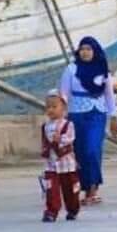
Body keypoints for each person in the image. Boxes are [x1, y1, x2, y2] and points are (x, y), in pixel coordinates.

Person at [59, 36, 116, 206]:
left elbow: (109, 95)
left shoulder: (103, 70)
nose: (85, 52)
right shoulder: (71, 69)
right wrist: (60, 118)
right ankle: (83, 187)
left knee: (93, 149)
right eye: (82, 49)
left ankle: (93, 187)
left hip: (97, 114)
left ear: (95, 51)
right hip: (76, 114)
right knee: (80, 152)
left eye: (89, 49)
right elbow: (64, 94)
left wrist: (113, 116)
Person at [40, 89, 80, 222]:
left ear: (63, 107)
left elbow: (70, 138)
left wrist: (60, 139)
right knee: (51, 188)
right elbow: (45, 142)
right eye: (48, 107)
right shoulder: (45, 126)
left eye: (54, 106)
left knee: (70, 189)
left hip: (66, 163)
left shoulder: (69, 124)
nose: (51, 110)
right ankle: (51, 211)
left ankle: (73, 209)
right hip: (51, 163)